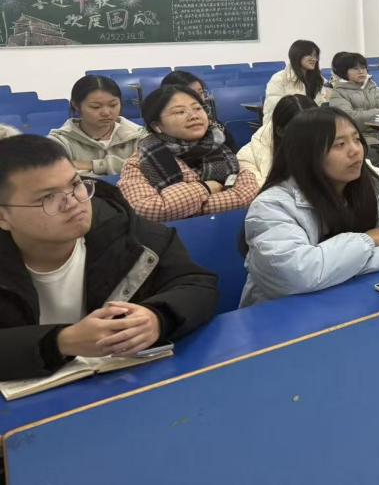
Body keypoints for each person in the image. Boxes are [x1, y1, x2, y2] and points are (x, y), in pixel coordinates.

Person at [0, 135, 218, 380]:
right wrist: (60, 342)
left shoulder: (125, 229)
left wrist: (157, 317)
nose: (73, 202)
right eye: (47, 197)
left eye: (75, 184)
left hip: (122, 384)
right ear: (3, 217)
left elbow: (197, 285)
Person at [240, 108, 379, 306]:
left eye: (356, 139)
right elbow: (297, 274)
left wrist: (341, 267)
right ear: (307, 154)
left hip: (355, 301)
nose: (355, 150)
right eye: (340, 144)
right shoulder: (272, 207)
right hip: (285, 316)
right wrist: (368, 240)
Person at [119, 86, 259, 222]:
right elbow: (147, 210)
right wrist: (204, 188)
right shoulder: (138, 163)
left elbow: (248, 194)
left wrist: (183, 210)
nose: (194, 116)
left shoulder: (221, 149)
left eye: (197, 108)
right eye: (180, 112)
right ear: (157, 126)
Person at [49, 75, 146, 177]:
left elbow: (150, 168)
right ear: (76, 106)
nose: (106, 112)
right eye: (96, 107)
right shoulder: (59, 142)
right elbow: (59, 176)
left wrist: (94, 165)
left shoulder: (138, 135)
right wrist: (127, 167)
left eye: (113, 105)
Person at [237, 94, 316, 186]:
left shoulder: (324, 147)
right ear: (280, 131)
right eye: (300, 131)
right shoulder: (246, 158)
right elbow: (264, 191)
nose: (310, 137)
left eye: (314, 129)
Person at [327, 52, 379, 133]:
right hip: (359, 137)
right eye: (355, 68)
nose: (361, 71)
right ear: (344, 72)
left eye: (363, 68)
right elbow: (348, 119)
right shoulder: (339, 94)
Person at [264, 40, 327, 122]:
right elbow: (274, 111)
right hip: (288, 124)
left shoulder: (319, 79)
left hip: (314, 124)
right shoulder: (279, 79)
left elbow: (324, 106)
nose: (314, 59)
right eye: (309, 55)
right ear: (297, 55)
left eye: (315, 56)